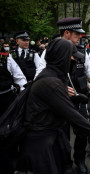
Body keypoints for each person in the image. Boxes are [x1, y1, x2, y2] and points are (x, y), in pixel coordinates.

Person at [21, 38, 90, 174]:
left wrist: (79, 97)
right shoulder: (51, 82)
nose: (74, 61)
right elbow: (72, 115)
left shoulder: (53, 77)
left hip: (49, 136)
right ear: (62, 58)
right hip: (42, 143)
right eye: (72, 58)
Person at [0, 41, 27, 174]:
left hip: (6, 101)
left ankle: (12, 166)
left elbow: (20, 79)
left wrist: (24, 98)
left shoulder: (6, 58)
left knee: (9, 133)